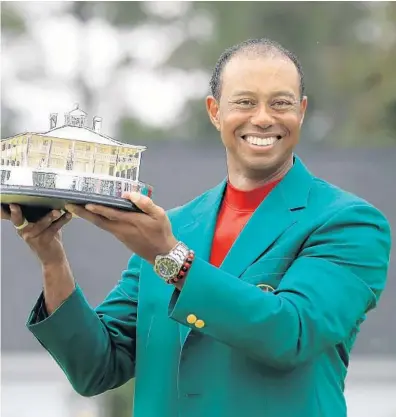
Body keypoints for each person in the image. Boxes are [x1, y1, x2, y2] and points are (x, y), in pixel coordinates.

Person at [1, 38, 392, 417]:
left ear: (301, 111)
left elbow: (291, 333)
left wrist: (171, 258)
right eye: (244, 102)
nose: (263, 117)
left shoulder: (349, 223)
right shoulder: (172, 226)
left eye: (281, 103)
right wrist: (51, 258)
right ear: (215, 111)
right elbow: (97, 366)